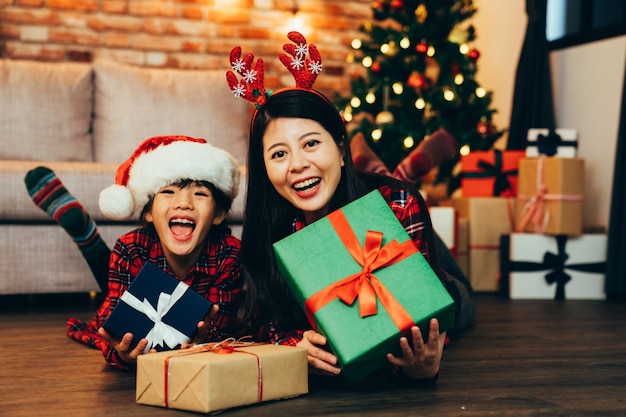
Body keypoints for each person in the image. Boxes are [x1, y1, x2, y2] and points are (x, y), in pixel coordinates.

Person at [228, 32, 475, 385]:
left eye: (311, 143)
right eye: (279, 154)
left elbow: (424, 310)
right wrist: (292, 344)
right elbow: (261, 320)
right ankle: (385, 170)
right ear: (264, 170)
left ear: (340, 148)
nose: (296, 164)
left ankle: (388, 176)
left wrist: (423, 368)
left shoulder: (398, 204)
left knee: (461, 300)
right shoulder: (269, 227)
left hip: (428, 262)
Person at [24, 135, 244, 371]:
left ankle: (86, 235)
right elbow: (115, 328)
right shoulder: (131, 248)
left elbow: (221, 329)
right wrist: (124, 355)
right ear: (148, 213)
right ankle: (86, 235)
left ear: (219, 215)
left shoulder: (229, 253)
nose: (184, 203)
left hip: (191, 342)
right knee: (118, 282)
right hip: (134, 273)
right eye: (168, 192)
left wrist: (204, 342)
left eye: (200, 194)